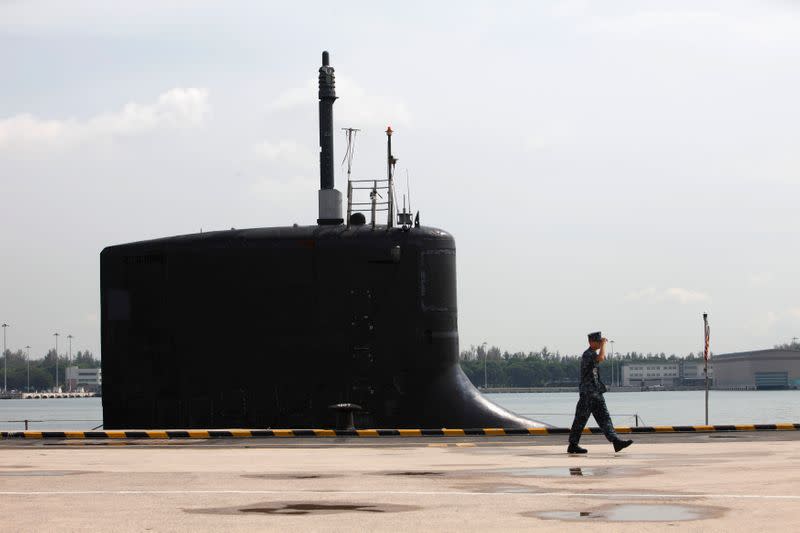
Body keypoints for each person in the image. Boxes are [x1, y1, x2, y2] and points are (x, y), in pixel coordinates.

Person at [567, 332, 633, 454]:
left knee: (605, 418)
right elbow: (601, 358)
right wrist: (603, 345)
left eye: (600, 341)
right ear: (591, 342)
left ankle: (616, 441)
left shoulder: (592, 354)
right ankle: (573, 445)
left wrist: (601, 345)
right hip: (587, 394)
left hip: (596, 392)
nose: (599, 343)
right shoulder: (588, 354)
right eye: (597, 341)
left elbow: (600, 359)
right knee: (580, 419)